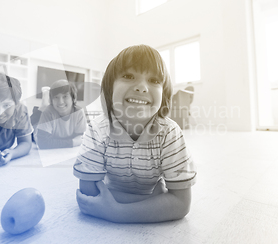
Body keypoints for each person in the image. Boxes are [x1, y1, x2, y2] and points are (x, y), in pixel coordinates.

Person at [74, 45, 196, 223]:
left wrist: (118, 212)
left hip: (119, 195)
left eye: (154, 80)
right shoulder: (97, 130)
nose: (141, 87)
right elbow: (88, 194)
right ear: (110, 88)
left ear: (164, 94)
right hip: (149, 194)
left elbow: (181, 203)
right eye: (128, 76)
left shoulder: (170, 133)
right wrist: (158, 203)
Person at [36, 79, 86, 149]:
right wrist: (72, 142)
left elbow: (80, 138)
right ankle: (44, 100)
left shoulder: (79, 112)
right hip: (36, 131)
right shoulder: (48, 112)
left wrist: (54, 142)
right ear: (52, 100)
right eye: (56, 97)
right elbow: (42, 142)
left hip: (57, 143)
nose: (60, 102)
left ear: (73, 98)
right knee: (39, 113)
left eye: (65, 96)